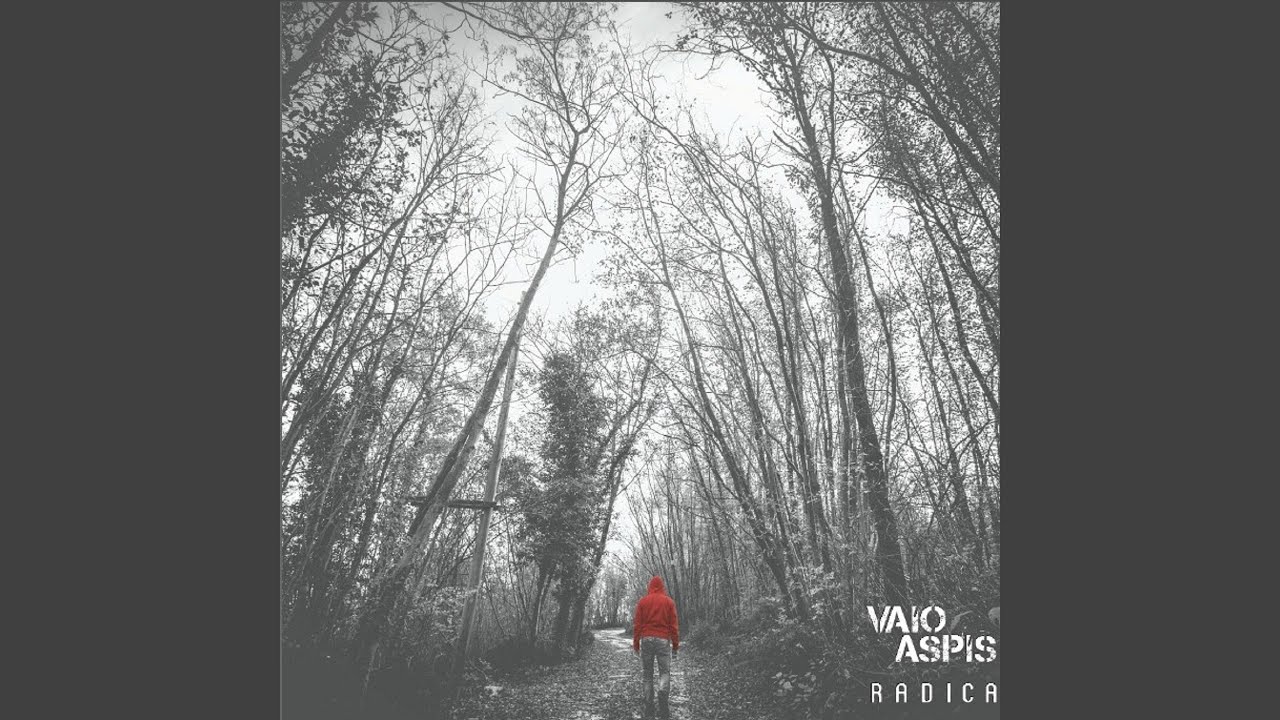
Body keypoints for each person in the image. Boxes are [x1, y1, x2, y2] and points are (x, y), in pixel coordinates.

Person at [632, 576, 680, 720]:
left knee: (647, 674)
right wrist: (675, 646)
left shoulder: (642, 602)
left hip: (646, 639)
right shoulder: (669, 602)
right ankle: (662, 695)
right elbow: (673, 626)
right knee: (664, 672)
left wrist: (636, 644)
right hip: (663, 639)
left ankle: (649, 707)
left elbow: (637, 625)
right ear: (662, 586)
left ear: (650, 586)